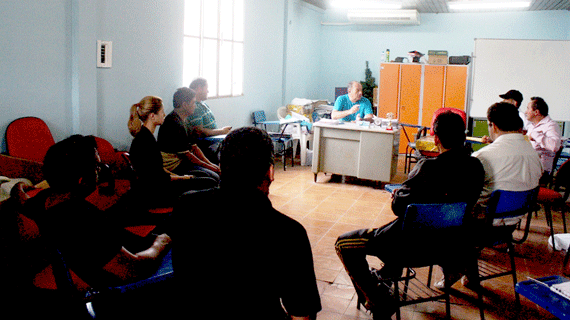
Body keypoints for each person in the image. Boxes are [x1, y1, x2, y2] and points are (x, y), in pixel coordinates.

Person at [335, 111, 484, 319]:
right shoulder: (476, 167)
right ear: (463, 136)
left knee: (343, 244)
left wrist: (398, 196)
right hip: (450, 246)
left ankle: (379, 300)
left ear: (436, 139)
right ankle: (387, 274)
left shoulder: (428, 167)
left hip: (410, 247)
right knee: (408, 226)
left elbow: (399, 207)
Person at [169, 127, 322, 320]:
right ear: (270, 171)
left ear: (220, 165)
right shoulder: (288, 233)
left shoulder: (186, 207)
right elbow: (302, 313)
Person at [19, 135, 172, 289]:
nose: (99, 172)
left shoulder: (44, 201)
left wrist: (18, 187)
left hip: (98, 262)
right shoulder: (82, 219)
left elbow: (22, 200)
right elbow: (132, 269)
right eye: (97, 167)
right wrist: (161, 243)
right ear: (82, 180)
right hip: (119, 286)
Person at [127, 95, 217, 208]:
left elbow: (159, 170)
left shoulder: (145, 137)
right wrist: (184, 178)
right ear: (152, 116)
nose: (164, 115)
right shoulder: (145, 141)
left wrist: (182, 177)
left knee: (206, 180)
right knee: (208, 182)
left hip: (156, 186)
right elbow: (160, 177)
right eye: (162, 112)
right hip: (156, 193)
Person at [157, 87, 220, 182]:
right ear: (185, 105)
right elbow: (189, 156)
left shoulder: (186, 120)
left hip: (182, 162)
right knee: (212, 178)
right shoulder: (173, 123)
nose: (195, 105)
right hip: (173, 167)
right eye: (193, 102)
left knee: (214, 173)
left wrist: (212, 165)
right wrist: (212, 168)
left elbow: (194, 148)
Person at [186, 78, 232, 163]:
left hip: (214, 141)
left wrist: (222, 131)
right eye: (206, 88)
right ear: (199, 88)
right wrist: (221, 131)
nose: (208, 91)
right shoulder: (194, 107)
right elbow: (199, 131)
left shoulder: (203, 104)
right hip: (207, 145)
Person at [525, 96, 561, 178]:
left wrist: (535, 135)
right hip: (529, 165)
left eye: (528, 109)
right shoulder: (532, 126)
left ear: (536, 112)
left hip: (540, 170)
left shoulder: (551, 125)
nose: (525, 112)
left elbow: (555, 146)